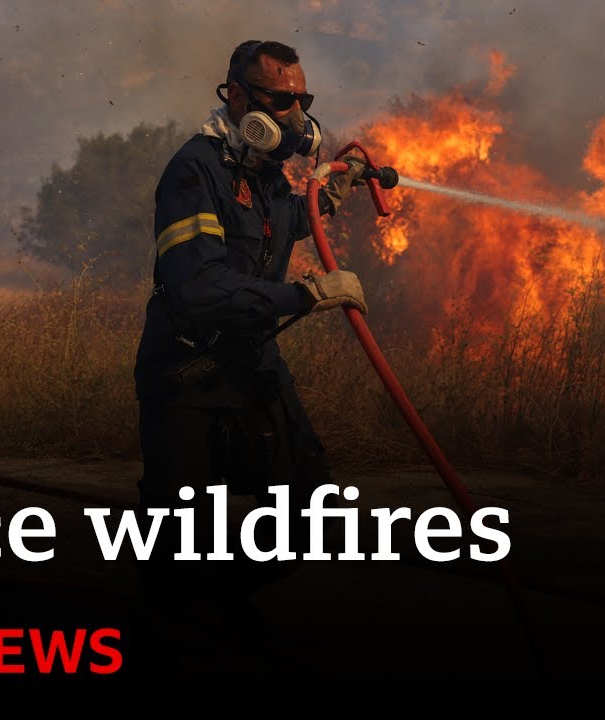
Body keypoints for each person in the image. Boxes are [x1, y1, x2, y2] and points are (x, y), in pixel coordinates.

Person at [131, 39, 368, 618]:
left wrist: (325, 199)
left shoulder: (264, 171)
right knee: (176, 545)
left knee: (315, 516)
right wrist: (305, 294)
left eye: (301, 100)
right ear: (237, 97)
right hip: (188, 375)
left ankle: (224, 605)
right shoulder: (194, 169)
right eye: (278, 100)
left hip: (254, 364)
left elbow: (275, 226)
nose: (294, 115)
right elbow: (197, 285)